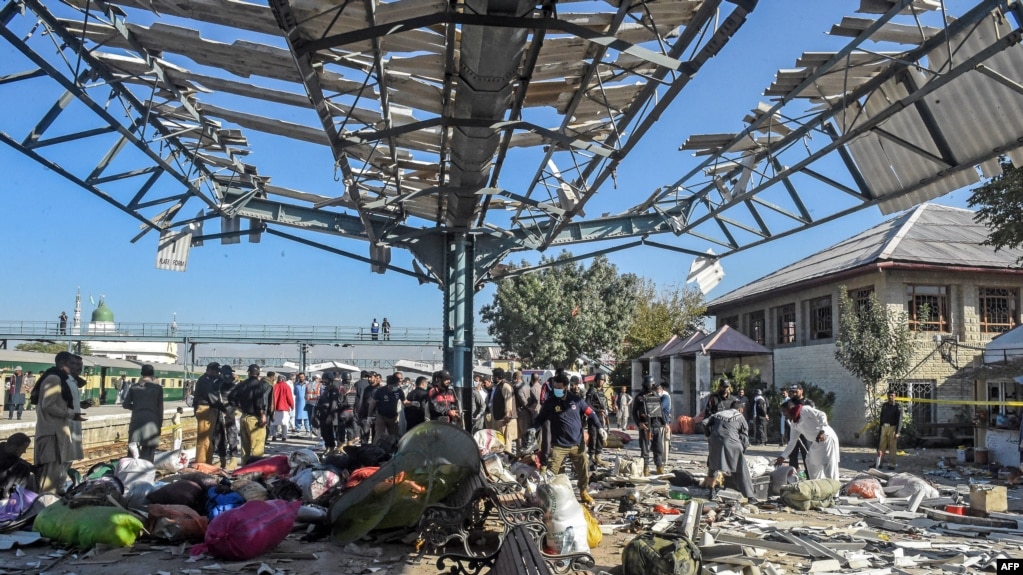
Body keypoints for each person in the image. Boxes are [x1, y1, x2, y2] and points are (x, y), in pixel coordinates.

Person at [529, 373, 602, 505]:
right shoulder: (550, 402)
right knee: (551, 472)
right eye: (555, 387)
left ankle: (583, 492)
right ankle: (547, 496)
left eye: (560, 387)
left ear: (566, 387)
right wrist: (534, 428)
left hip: (577, 443)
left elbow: (591, 413)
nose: (557, 389)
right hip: (559, 445)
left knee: (583, 470)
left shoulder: (577, 400)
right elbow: (540, 418)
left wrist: (600, 427)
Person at [33, 351, 82, 494]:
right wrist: (70, 415)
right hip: (52, 432)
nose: (75, 367)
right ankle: (45, 505)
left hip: (57, 431)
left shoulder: (58, 378)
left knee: (55, 474)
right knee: (49, 478)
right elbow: (48, 405)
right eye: (72, 363)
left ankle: (50, 501)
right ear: (62, 364)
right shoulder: (54, 378)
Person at [776, 402, 840, 480]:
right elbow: (792, 441)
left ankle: (834, 490)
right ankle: (817, 486)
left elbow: (821, 414)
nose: (784, 414)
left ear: (790, 408)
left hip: (826, 437)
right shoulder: (794, 424)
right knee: (810, 461)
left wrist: (822, 431)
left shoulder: (804, 410)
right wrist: (783, 456)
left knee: (829, 465)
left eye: (784, 411)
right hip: (817, 442)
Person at [704, 407, 755, 498]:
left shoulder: (718, 414)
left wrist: (709, 435)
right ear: (740, 409)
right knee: (740, 469)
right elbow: (744, 438)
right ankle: (750, 497)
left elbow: (704, 423)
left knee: (713, 467)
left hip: (715, 441)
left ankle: (711, 492)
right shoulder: (740, 417)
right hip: (732, 444)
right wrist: (743, 451)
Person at [229, 364, 271, 463]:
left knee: (245, 446)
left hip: (244, 417)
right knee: (257, 446)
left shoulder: (242, 384)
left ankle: (245, 467)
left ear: (248, 372)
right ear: (258, 373)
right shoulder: (258, 384)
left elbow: (231, 396)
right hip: (255, 419)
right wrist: (263, 415)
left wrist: (238, 407)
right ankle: (255, 469)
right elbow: (259, 401)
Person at [122, 364, 164, 462]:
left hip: (136, 420)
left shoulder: (134, 387)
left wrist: (137, 407)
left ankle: (131, 471)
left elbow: (125, 404)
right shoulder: (158, 388)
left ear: (141, 373)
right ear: (153, 374)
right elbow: (160, 409)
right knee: (149, 451)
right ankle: (145, 472)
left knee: (133, 450)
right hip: (152, 421)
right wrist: (160, 425)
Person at [632, 376, 669, 475]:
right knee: (645, 449)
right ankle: (645, 468)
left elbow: (660, 411)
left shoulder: (656, 396)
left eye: (652, 385)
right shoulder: (639, 397)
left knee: (658, 448)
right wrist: (639, 423)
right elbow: (634, 412)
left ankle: (659, 467)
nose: (650, 387)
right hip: (645, 426)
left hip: (656, 425)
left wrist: (665, 423)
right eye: (648, 385)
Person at [192, 362, 221, 465]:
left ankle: (207, 461)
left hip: (209, 409)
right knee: (203, 439)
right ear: (209, 370)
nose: (218, 373)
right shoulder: (204, 381)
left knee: (208, 438)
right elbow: (211, 397)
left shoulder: (209, 380)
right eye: (216, 371)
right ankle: (201, 462)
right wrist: (223, 408)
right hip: (205, 409)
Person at [214, 365, 240, 467]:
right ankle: (222, 458)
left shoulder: (234, 385)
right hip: (220, 411)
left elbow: (237, 399)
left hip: (230, 412)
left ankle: (233, 458)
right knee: (219, 436)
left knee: (231, 434)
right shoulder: (217, 384)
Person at [488, 368, 517, 455]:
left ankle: (506, 461)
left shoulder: (505, 386)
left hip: (504, 419)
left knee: (506, 442)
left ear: (497, 377)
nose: (493, 378)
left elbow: (508, 401)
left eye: (494, 376)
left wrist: (507, 414)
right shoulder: (498, 386)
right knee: (500, 441)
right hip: (498, 418)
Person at [315, 371, 345, 452]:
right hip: (323, 414)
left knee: (329, 432)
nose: (324, 381)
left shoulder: (333, 389)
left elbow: (334, 403)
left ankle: (331, 447)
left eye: (325, 379)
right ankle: (328, 446)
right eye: (323, 379)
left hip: (329, 414)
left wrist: (330, 416)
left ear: (330, 379)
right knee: (324, 433)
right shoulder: (326, 389)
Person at [371, 374, 406, 441]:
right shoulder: (380, 391)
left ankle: (392, 450)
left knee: (394, 435)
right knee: (379, 435)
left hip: (393, 417)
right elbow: (372, 403)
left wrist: (412, 403)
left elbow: (404, 402)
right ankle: (376, 448)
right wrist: (369, 416)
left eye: (397, 385)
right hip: (381, 416)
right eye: (395, 385)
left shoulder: (399, 391)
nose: (396, 387)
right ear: (389, 384)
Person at [0, 433, 37, 497]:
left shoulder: (10, 452)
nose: (24, 451)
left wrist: (35, 469)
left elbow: (19, 460)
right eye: (24, 448)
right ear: (15, 447)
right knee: (23, 469)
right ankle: (15, 497)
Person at [585, 374, 610, 466]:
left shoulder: (602, 392)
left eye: (603, 380)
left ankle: (598, 456)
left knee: (600, 437)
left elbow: (604, 404)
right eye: (599, 380)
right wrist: (598, 411)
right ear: (596, 380)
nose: (601, 382)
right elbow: (587, 404)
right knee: (593, 437)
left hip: (601, 417)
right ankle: (591, 456)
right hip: (593, 416)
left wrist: (606, 411)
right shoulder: (592, 391)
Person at [876, 389, 903, 470]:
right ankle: (879, 463)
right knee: (881, 446)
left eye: (892, 395)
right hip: (884, 427)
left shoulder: (898, 407)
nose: (890, 397)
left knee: (892, 447)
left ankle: (892, 465)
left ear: (895, 396)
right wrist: (880, 428)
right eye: (889, 395)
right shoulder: (885, 405)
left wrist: (897, 432)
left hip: (892, 428)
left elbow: (899, 420)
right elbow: (881, 418)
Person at [271, 374, 295, 441]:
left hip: (275, 407)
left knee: (274, 423)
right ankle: (284, 437)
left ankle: (274, 436)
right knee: (284, 424)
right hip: (284, 407)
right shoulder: (287, 387)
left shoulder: (274, 386)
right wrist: (292, 405)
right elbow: (289, 397)